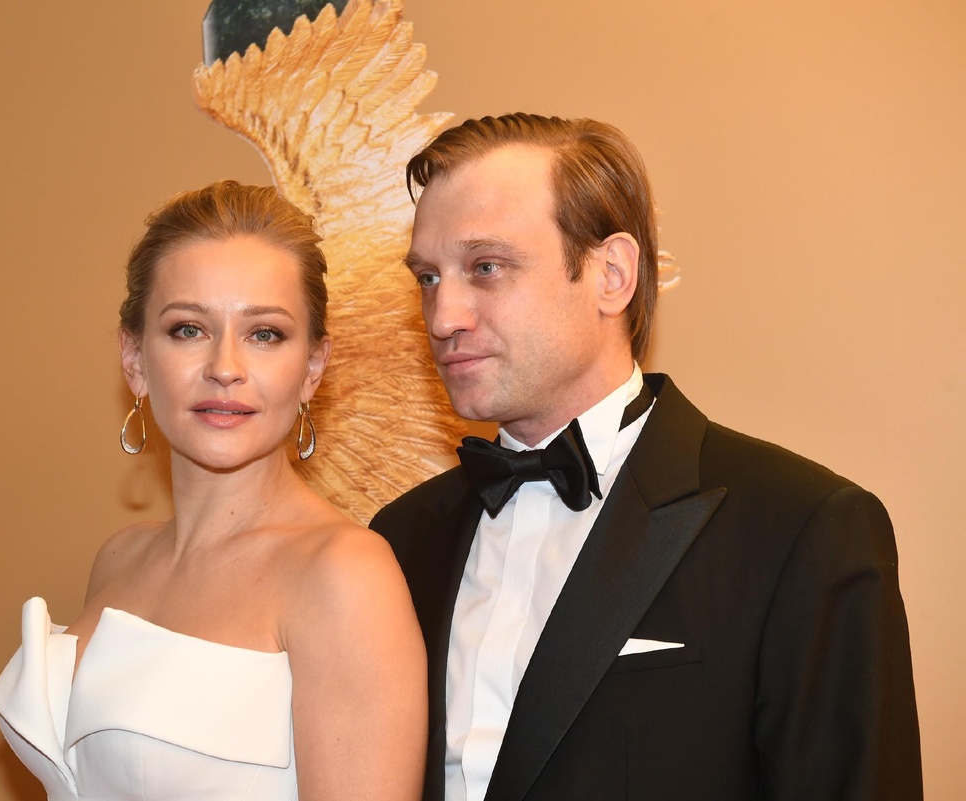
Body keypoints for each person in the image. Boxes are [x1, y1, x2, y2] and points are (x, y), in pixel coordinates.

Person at [370, 114, 922, 801]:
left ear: (612, 274)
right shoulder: (397, 539)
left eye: (486, 267)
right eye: (428, 277)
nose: (443, 316)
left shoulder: (802, 529)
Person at [0, 180, 427, 801]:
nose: (225, 368)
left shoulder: (343, 575)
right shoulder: (119, 558)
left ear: (312, 368)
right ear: (134, 359)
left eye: (265, 334)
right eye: (188, 329)